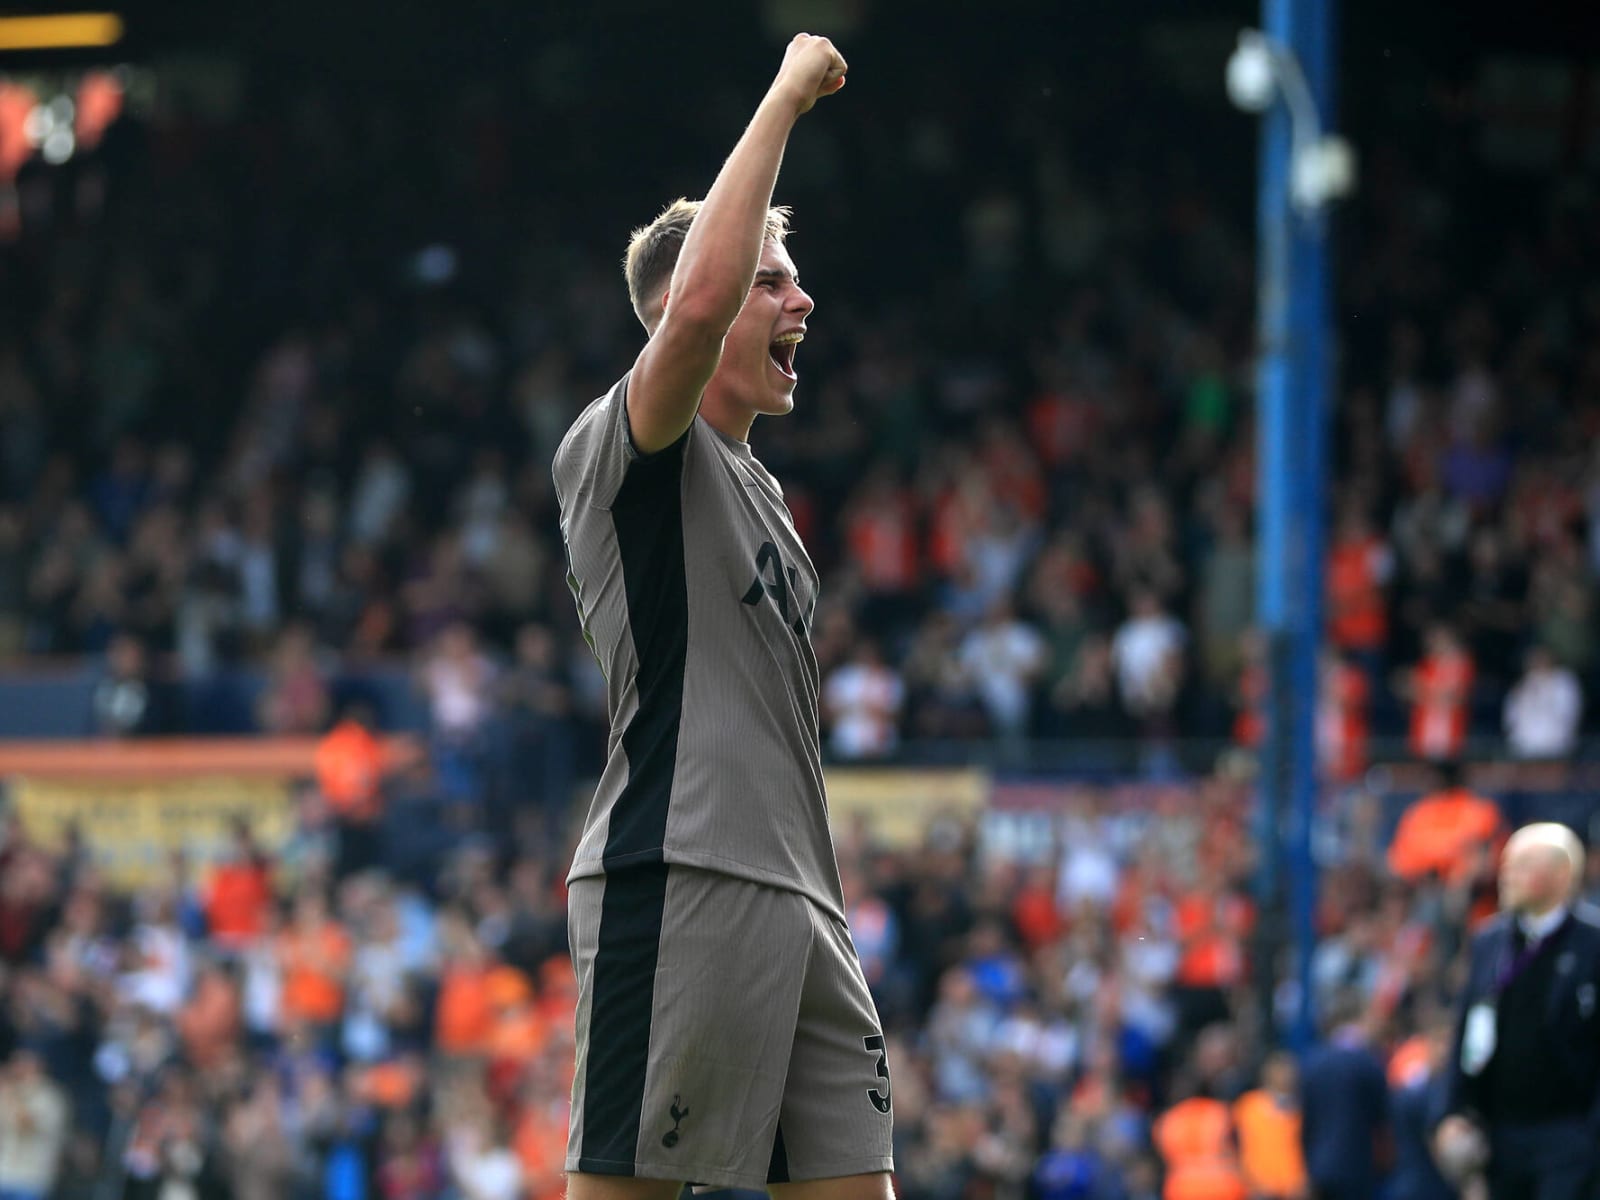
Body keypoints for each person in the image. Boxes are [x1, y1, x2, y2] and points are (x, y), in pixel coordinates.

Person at [551, 33, 894, 1200]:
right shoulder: (630, 445)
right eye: (771, 276)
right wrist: (788, 91)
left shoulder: (759, 488)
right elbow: (696, 309)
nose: (801, 297)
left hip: (802, 897)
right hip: (681, 870)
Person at [1434, 823, 1600, 1200]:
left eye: (1523, 864)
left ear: (1562, 875)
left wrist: (1590, 1136)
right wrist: (1451, 1112)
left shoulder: (1593, 943)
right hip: (1500, 1135)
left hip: (1568, 1134)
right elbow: (1465, 1030)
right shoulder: (1489, 941)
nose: (1507, 874)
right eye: (1507, 864)